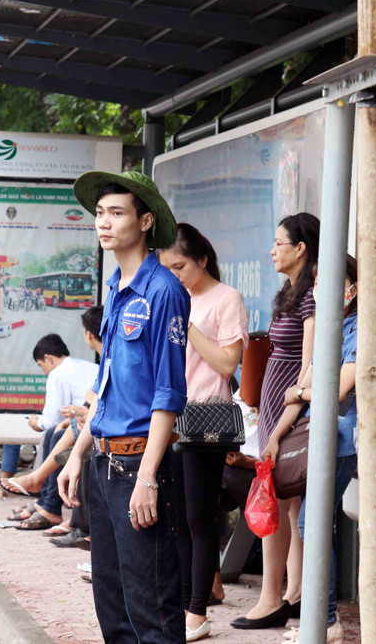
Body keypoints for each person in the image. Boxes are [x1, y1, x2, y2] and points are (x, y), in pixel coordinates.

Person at [56, 169, 189, 643]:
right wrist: (76, 453)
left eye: (116, 212)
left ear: (146, 220)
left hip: (140, 467)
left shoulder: (164, 291)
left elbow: (168, 395)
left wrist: (149, 477)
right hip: (104, 465)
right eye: (99, 213)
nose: (103, 223)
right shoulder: (114, 289)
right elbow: (107, 383)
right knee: (113, 609)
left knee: (151, 608)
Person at [158, 223, 249, 642]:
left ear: (202, 259)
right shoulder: (173, 297)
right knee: (174, 516)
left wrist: (188, 325)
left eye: (180, 266)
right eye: (167, 268)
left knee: (198, 516)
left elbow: (228, 364)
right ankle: (184, 600)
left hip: (205, 419)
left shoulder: (225, 299)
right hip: (168, 417)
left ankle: (197, 612)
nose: (174, 274)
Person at [232, 212, 319, 630]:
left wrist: (282, 426)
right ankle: (293, 594)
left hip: (290, 415)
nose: (271, 251)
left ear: (300, 248)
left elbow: (309, 371)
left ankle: (273, 599)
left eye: (279, 243)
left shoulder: (312, 295)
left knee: (282, 499)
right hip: (272, 412)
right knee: (288, 505)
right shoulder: (292, 290)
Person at [265, 257, 358, 644]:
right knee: (312, 522)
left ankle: (327, 620)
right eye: (318, 283)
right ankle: (321, 620)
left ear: (352, 288)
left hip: (341, 442)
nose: (322, 290)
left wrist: (301, 391)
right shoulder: (330, 330)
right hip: (316, 441)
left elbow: (335, 390)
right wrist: (275, 436)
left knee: (311, 522)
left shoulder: (358, 329)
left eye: (334, 282)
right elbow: (301, 391)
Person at [0, 334, 98, 528]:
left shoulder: (57, 373)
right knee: (55, 432)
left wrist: (37, 422)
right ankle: (43, 500)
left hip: (92, 426)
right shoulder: (85, 365)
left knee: (51, 433)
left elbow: (52, 418)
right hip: (87, 421)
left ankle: (50, 506)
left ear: (49, 359)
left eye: (41, 365)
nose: (43, 370)